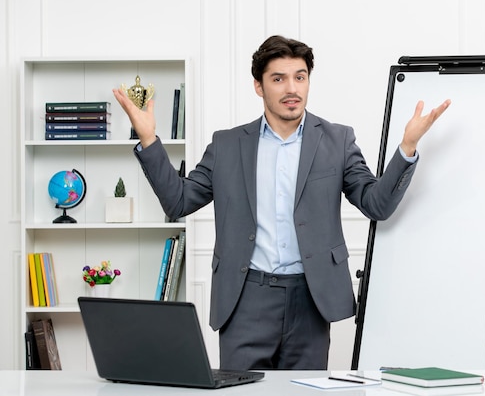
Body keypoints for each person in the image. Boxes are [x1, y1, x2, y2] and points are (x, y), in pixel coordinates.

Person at [112, 35, 451, 370]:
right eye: (279, 78)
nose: (292, 88)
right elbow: (178, 201)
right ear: (259, 86)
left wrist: (406, 147)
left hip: (311, 299)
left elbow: (376, 204)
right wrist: (149, 139)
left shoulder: (337, 140)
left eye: (300, 77)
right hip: (245, 299)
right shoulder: (227, 145)